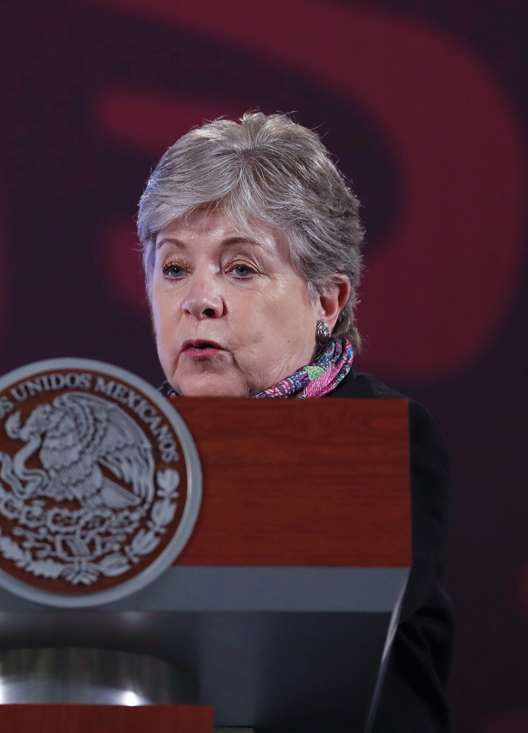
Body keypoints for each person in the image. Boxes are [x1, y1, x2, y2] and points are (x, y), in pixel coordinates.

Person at [137, 112, 453, 731]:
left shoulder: (380, 440)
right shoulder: (125, 442)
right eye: (174, 268)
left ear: (327, 302)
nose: (199, 299)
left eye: (241, 268)